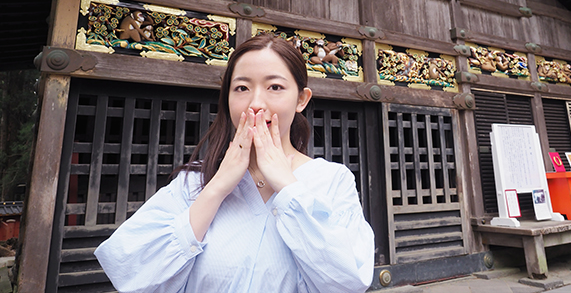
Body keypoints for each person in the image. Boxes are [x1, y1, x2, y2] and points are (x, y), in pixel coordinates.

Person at [94, 34, 375, 293]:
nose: (255, 103)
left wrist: (287, 188)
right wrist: (217, 188)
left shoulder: (332, 179)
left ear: (301, 99)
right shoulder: (195, 182)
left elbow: (349, 280)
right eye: (241, 87)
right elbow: (130, 271)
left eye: (275, 87)